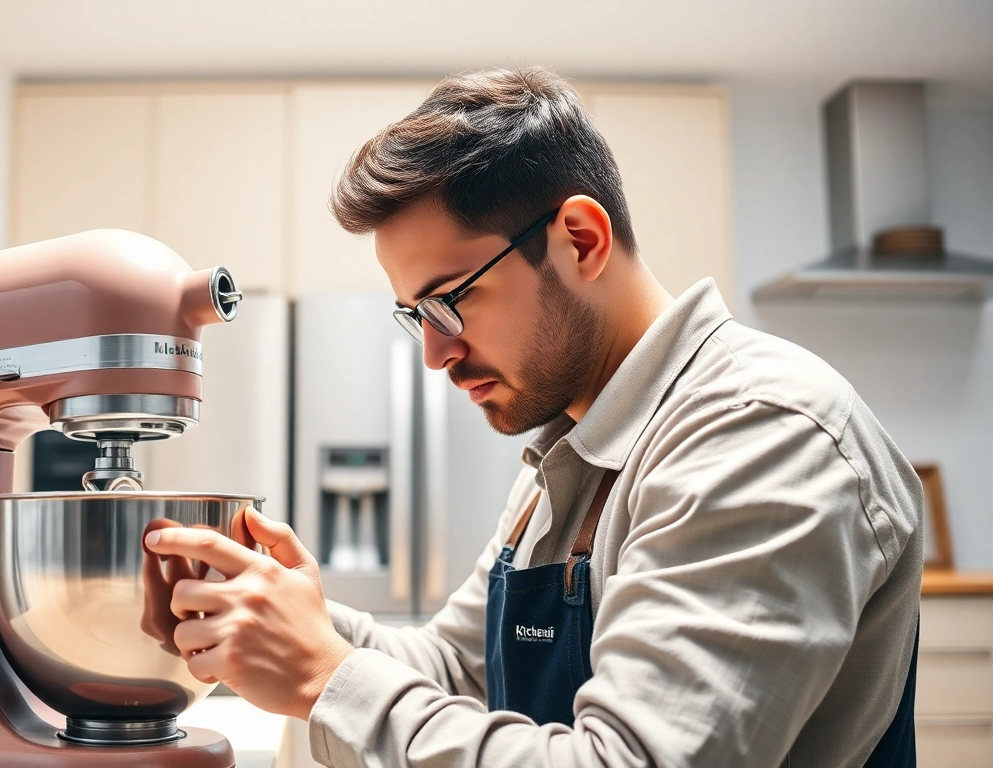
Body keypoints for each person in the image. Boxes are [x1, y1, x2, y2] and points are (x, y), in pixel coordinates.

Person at [145, 67, 923, 767]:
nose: (435, 356)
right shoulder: (572, 453)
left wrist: (327, 673)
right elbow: (453, 674)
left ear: (579, 240)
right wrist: (283, 614)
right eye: (416, 317)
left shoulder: (760, 431)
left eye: (450, 301)